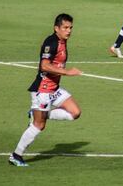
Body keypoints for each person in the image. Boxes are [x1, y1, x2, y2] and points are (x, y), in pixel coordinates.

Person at [8, 13, 83, 167]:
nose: (69, 31)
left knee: (75, 112)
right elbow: (44, 65)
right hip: (42, 90)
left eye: (70, 28)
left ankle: (42, 114)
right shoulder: (51, 42)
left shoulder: (63, 41)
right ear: (56, 28)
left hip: (54, 89)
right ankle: (16, 155)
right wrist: (67, 72)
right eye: (65, 27)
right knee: (39, 125)